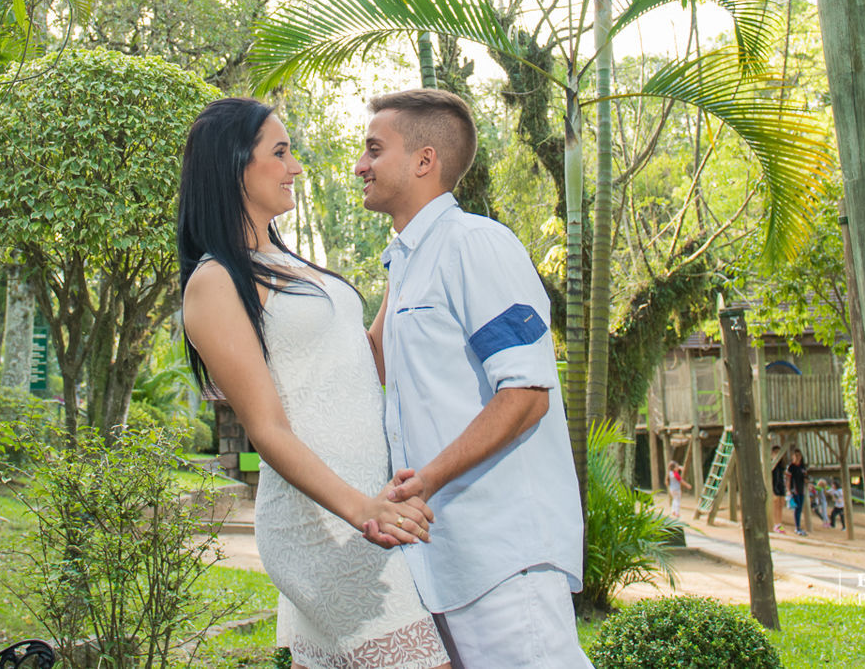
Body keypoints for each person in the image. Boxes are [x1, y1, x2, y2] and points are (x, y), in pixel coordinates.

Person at [179, 98, 450, 669]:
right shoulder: (214, 281)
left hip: (363, 508)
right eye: (279, 153)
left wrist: (407, 254)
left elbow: (364, 360)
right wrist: (363, 511)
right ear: (234, 168)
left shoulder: (284, 261)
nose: (296, 166)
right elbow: (267, 429)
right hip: (324, 522)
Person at [361, 88, 591, 669]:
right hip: (442, 557)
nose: (360, 166)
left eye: (373, 149)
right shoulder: (404, 262)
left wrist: (426, 481)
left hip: (502, 556)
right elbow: (370, 361)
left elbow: (526, 394)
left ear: (423, 161)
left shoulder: (475, 244)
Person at [787, 447, 810, 536]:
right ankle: (797, 527)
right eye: (796, 455)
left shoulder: (802, 467)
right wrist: (788, 490)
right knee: (797, 507)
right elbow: (788, 479)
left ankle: (799, 526)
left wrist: (806, 480)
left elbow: (806, 477)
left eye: (799, 455)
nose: (798, 457)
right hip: (794, 489)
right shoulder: (791, 467)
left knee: (800, 508)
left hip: (802, 489)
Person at [770, 444, 787, 529]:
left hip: (781, 485)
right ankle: (775, 523)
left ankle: (779, 523)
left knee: (781, 504)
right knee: (775, 504)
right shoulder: (771, 463)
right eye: (776, 452)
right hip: (774, 485)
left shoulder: (781, 464)